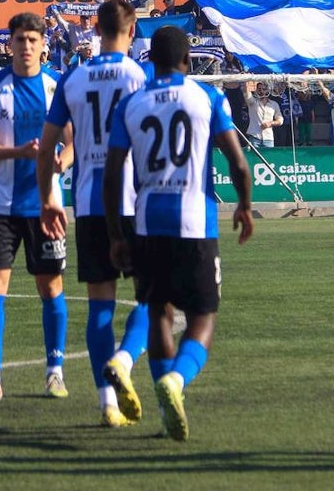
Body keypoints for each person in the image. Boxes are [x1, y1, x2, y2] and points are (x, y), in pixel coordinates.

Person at [103, 25, 253, 442]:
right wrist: (243, 205)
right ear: (188, 62)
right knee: (203, 316)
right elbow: (238, 162)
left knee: (159, 313)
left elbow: (113, 174)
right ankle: (177, 382)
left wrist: (117, 233)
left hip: (148, 222)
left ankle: (165, 405)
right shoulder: (206, 96)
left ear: (150, 60)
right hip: (195, 222)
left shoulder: (132, 103)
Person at [38, 0, 150, 428]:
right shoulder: (140, 76)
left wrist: (49, 197)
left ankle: (107, 404)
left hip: (89, 204)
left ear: (96, 29)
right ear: (132, 28)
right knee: (151, 296)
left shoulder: (73, 79)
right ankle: (124, 360)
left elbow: (48, 147)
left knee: (99, 307)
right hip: (134, 201)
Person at [0, 12, 70, 404]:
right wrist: (21, 152)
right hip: (1, 205)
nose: (26, 46)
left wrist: (64, 160)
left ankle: (54, 372)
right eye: (19, 39)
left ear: (43, 44)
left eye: (32, 39)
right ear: (9, 43)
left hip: (47, 205)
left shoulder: (56, 87)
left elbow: (72, 141)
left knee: (51, 286)